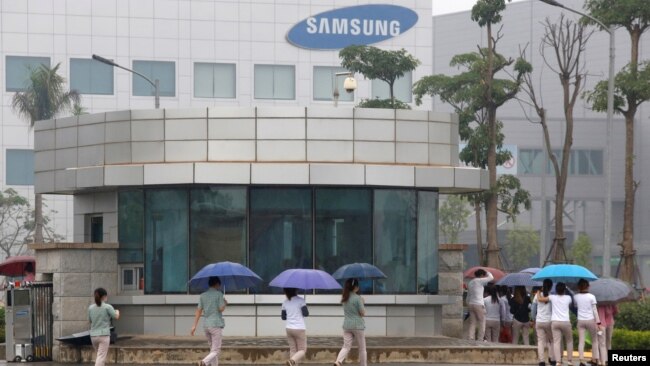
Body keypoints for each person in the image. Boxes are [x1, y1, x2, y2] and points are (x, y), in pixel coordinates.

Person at [191, 276, 227, 366]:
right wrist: (225, 303)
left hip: (206, 325)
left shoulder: (203, 295)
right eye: (219, 285)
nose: (219, 286)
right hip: (215, 324)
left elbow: (198, 310)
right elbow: (221, 309)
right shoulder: (219, 294)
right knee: (216, 350)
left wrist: (194, 325)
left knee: (212, 349)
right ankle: (203, 362)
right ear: (217, 284)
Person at [538, 282, 573, 366]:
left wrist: (538, 292)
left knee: (556, 342)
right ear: (564, 290)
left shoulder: (552, 297)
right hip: (565, 321)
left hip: (555, 322)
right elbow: (570, 305)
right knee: (569, 341)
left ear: (556, 290)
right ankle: (569, 360)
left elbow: (540, 299)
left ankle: (558, 362)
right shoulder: (568, 298)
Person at [333, 278, 366, 366]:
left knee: (346, 346)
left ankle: (338, 361)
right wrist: (362, 302)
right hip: (358, 325)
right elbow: (362, 313)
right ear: (355, 287)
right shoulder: (358, 298)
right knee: (362, 349)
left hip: (347, 325)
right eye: (358, 285)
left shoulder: (344, 297)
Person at [88, 287, 120, 366]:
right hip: (104, 336)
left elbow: (90, 321)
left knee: (99, 356)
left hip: (93, 336)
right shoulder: (107, 307)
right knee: (101, 357)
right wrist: (117, 311)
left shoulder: (90, 308)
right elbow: (116, 317)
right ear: (104, 296)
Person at [574, 279, 602, 366]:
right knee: (594, 341)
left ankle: (581, 360)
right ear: (588, 286)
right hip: (590, 320)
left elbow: (576, 306)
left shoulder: (576, 297)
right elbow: (595, 310)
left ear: (578, 287)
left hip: (580, 320)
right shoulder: (592, 297)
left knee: (581, 341)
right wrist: (598, 323)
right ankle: (595, 359)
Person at [282, 287, 308, 366]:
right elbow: (306, 313)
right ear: (295, 290)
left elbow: (283, 317)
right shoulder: (301, 300)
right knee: (302, 350)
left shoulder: (285, 302)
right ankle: (292, 361)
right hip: (299, 328)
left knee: (293, 350)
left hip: (289, 328)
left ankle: (292, 362)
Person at [533, 279, 556, 366]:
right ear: (551, 287)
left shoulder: (537, 296)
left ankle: (541, 361)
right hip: (549, 321)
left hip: (539, 321)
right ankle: (552, 358)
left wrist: (533, 319)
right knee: (551, 341)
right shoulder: (551, 296)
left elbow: (533, 309)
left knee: (540, 341)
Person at [466, 269, 493, 341]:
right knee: (482, 322)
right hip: (478, 304)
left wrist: (468, 304)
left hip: (471, 304)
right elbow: (491, 277)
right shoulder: (479, 281)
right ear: (481, 275)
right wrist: (487, 272)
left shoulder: (470, 282)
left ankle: (470, 338)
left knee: (472, 323)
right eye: (483, 275)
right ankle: (480, 339)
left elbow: (468, 295)